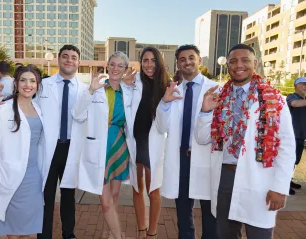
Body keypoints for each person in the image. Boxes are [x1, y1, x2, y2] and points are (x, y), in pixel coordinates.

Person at [193, 44, 295, 238]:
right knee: (226, 234)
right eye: (233, 61)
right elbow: (202, 138)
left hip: (259, 179)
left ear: (255, 63)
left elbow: (287, 146)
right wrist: (206, 111)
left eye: (245, 60)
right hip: (226, 176)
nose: (238, 65)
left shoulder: (273, 99)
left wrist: (280, 188)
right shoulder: (218, 97)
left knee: (259, 234)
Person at [155, 45, 218, 239]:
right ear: (178, 64)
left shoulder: (216, 89)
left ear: (199, 60)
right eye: (182, 59)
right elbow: (161, 127)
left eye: (191, 57)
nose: (187, 62)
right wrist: (164, 103)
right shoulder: (173, 91)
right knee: (183, 209)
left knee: (210, 210)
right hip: (181, 157)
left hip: (206, 157)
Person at [0, 65, 45, 238]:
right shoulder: (4, 106)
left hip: (34, 176)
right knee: (12, 230)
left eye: (32, 81)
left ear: (38, 84)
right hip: (11, 176)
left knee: (31, 228)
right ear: (15, 83)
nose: (27, 85)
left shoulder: (39, 108)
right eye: (23, 80)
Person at [74, 52, 134, 239]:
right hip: (99, 147)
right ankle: (118, 235)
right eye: (113, 64)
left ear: (125, 69)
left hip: (119, 145)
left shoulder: (129, 91)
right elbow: (77, 115)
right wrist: (90, 91)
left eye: (120, 66)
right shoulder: (96, 88)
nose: (116, 68)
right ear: (107, 66)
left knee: (114, 196)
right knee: (105, 201)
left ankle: (106, 232)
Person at [36, 45, 88, 239]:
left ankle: (69, 234)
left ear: (78, 62)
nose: (69, 60)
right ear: (58, 59)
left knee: (68, 195)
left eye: (73, 57)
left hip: (71, 149)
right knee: (46, 195)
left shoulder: (84, 90)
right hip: (48, 148)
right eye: (65, 56)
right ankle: (44, 235)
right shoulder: (43, 85)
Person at [121, 47, 168, 239]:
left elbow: (164, 126)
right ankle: (141, 229)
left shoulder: (166, 85)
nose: (149, 64)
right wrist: (125, 84)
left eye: (152, 60)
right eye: (145, 60)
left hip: (153, 143)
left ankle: (152, 231)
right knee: (137, 187)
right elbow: (125, 105)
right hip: (135, 139)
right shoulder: (135, 81)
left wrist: (165, 101)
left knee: (153, 189)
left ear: (159, 62)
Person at [286, 77, 306, 195]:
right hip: (293, 134)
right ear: (295, 86)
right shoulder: (291, 96)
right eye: (302, 84)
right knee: (289, 160)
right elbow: (295, 104)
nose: (305, 86)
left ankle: (289, 180)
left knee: (295, 160)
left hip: (301, 135)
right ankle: (284, 184)